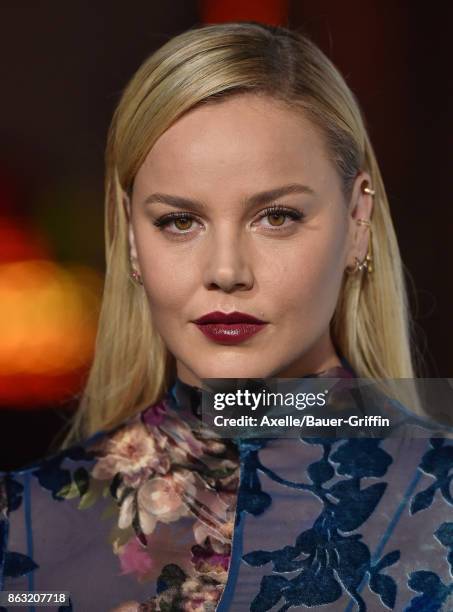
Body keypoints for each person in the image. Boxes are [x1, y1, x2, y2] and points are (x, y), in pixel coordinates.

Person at [0, 21, 452, 612]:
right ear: (134, 241)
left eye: (277, 216)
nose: (227, 270)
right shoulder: (22, 526)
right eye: (179, 221)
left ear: (357, 220)